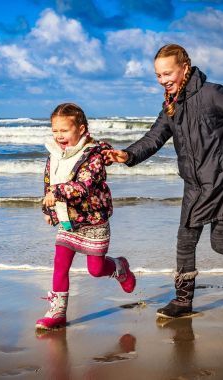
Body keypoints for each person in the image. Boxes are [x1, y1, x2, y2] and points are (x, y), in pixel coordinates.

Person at [103, 44, 223, 319]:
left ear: (185, 67)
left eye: (167, 73)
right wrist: (126, 155)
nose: (163, 80)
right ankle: (183, 301)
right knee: (185, 242)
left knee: (220, 243)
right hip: (195, 187)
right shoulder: (171, 106)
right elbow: (153, 138)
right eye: (158, 75)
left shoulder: (213, 94)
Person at [36, 103, 136, 330]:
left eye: (64, 130)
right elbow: (49, 182)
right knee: (60, 265)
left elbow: (85, 186)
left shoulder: (94, 156)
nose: (59, 136)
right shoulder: (54, 154)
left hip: (93, 219)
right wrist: (49, 210)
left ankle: (120, 268)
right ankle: (57, 312)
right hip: (68, 220)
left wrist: (58, 192)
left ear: (81, 129)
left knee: (96, 269)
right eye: (55, 131)